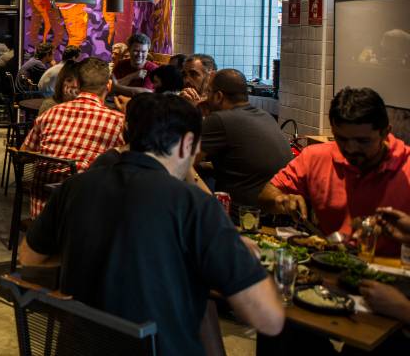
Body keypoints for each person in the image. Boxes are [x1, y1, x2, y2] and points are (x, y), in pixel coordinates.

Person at [20, 93, 284, 355]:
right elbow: (268, 319)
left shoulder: (75, 186)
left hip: (80, 348)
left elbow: (29, 257)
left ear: (126, 135)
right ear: (187, 144)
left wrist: (93, 248)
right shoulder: (194, 205)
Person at [259, 87, 410, 256]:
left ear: (385, 132)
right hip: (330, 263)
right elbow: (264, 196)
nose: (351, 149)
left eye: (363, 141)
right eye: (342, 139)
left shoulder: (406, 167)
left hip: (389, 273)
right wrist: (280, 199)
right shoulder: (316, 157)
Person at [22, 57, 125, 216]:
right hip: (86, 220)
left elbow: (24, 155)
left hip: (42, 215)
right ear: (109, 86)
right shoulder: (118, 122)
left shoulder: (51, 113)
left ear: (78, 84)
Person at [199, 70, 293, 207]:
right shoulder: (266, 116)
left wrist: (189, 112)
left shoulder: (218, 120)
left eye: (208, 92)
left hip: (245, 215)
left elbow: (184, 161)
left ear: (218, 96)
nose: (205, 98)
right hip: (279, 211)